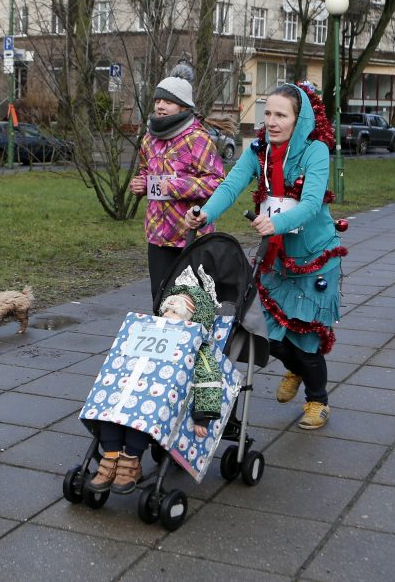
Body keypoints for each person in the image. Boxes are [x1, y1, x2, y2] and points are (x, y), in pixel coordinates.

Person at [185, 82, 345, 431]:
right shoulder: (258, 151)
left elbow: (311, 202)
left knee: (305, 338)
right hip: (274, 258)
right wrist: (204, 214)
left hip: (314, 258)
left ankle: (318, 400)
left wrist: (276, 223)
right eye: (267, 113)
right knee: (266, 334)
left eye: (281, 115)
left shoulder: (315, 151)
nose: (271, 122)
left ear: (298, 120)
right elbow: (230, 185)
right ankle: (298, 369)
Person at [87, 286, 219, 494]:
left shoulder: (198, 348)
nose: (167, 315)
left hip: (158, 404)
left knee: (140, 415)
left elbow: (209, 381)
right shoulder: (147, 335)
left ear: (191, 320)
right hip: (130, 390)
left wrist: (204, 416)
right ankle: (110, 458)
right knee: (109, 412)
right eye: (166, 310)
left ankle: (130, 463)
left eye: (175, 312)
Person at [130, 62, 225, 302]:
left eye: (168, 102)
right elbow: (145, 170)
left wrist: (176, 186)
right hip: (158, 236)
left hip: (191, 236)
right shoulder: (149, 138)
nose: (160, 106)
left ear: (183, 107)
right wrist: (140, 184)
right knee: (160, 299)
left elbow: (217, 182)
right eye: (157, 101)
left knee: (190, 301)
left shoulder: (198, 139)